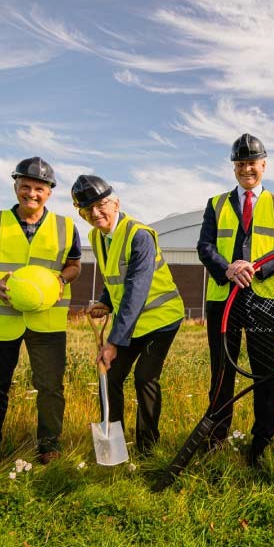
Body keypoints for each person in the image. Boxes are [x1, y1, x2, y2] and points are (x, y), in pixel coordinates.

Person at [0, 157, 82, 480]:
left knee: (50, 388)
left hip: (47, 322)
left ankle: (49, 447)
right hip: (0, 320)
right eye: (26, 186)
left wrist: (61, 280)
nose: (32, 193)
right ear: (16, 186)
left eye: (39, 188)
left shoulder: (66, 226)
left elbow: (74, 266)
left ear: (49, 193)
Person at [196, 133, 274, 467]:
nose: (246, 168)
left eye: (252, 162)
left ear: (264, 165)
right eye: (240, 163)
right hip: (224, 298)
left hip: (264, 299)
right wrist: (228, 269)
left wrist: (255, 269)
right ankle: (215, 436)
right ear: (233, 167)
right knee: (222, 370)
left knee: (264, 372)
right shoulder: (216, 204)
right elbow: (205, 247)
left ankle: (261, 442)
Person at [71, 175, 184, 454]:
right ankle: (115, 446)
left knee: (145, 377)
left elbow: (136, 289)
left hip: (161, 319)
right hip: (132, 323)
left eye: (100, 205)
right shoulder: (97, 237)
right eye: (87, 210)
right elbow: (115, 276)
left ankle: (148, 448)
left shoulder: (139, 235)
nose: (95, 213)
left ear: (116, 202)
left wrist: (113, 342)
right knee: (110, 376)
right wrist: (104, 301)